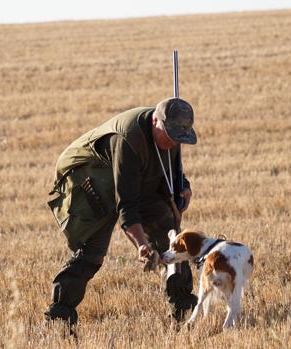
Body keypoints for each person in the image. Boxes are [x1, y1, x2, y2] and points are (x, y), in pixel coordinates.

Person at [44, 97, 198, 326]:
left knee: (171, 240)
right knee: (92, 253)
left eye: (179, 138)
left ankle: (183, 309)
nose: (173, 142)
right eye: (169, 135)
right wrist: (142, 244)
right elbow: (127, 205)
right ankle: (60, 316)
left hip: (138, 177)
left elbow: (170, 169)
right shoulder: (127, 140)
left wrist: (183, 187)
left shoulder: (172, 134)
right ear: (156, 121)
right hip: (95, 178)